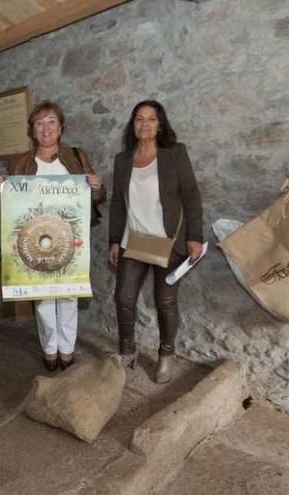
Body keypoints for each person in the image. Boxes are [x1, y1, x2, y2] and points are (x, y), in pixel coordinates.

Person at [0, 100, 106, 372]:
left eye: (51, 121)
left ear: (61, 127)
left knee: (68, 296)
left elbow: (94, 197)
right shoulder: (19, 162)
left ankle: (67, 349)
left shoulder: (77, 157)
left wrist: (97, 187)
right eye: (39, 123)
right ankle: (49, 348)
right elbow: (8, 208)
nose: (45, 128)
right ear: (32, 130)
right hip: (35, 240)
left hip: (68, 239)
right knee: (42, 298)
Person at [108, 100, 203, 384]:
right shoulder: (123, 160)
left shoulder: (174, 153)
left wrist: (194, 237)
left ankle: (165, 354)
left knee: (165, 301)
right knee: (123, 298)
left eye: (151, 119)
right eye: (139, 119)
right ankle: (127, 351)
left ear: (160, 125)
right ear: (133, 124)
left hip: (168, 242)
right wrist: (114, 240)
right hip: (133, 241)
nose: (144, 124)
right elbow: (117, 204)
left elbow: (191, 196)